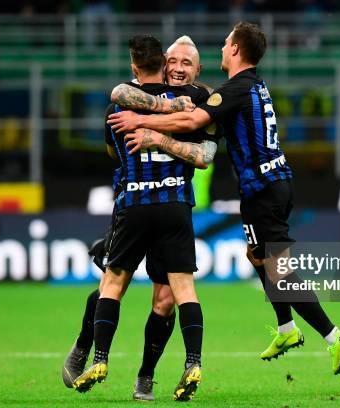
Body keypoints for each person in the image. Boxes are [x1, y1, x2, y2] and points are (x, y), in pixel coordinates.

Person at [108, 22, 340, 375]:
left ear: (236, 50)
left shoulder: (235, 89)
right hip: (269, 185)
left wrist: (143, 124)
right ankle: (286, 328)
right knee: (256, 254)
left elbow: (192, 119)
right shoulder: (250, 85)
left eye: (226, 43)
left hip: (264, 188)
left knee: (279, 272)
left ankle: (334, 336)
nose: (222, 47)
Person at [62, 35, 216, 402]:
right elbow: (121, 102)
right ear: (163, 62)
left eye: (186, 64)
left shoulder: (200, 103)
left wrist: (155, 134)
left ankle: (144, 376)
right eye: (173, 61)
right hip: (139, 202)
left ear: (196, 71)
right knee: (112, 283)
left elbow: (207, 152)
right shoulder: (173, 102)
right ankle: (84, 346)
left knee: (162, 300)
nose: (178, 68)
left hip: (161, 202)